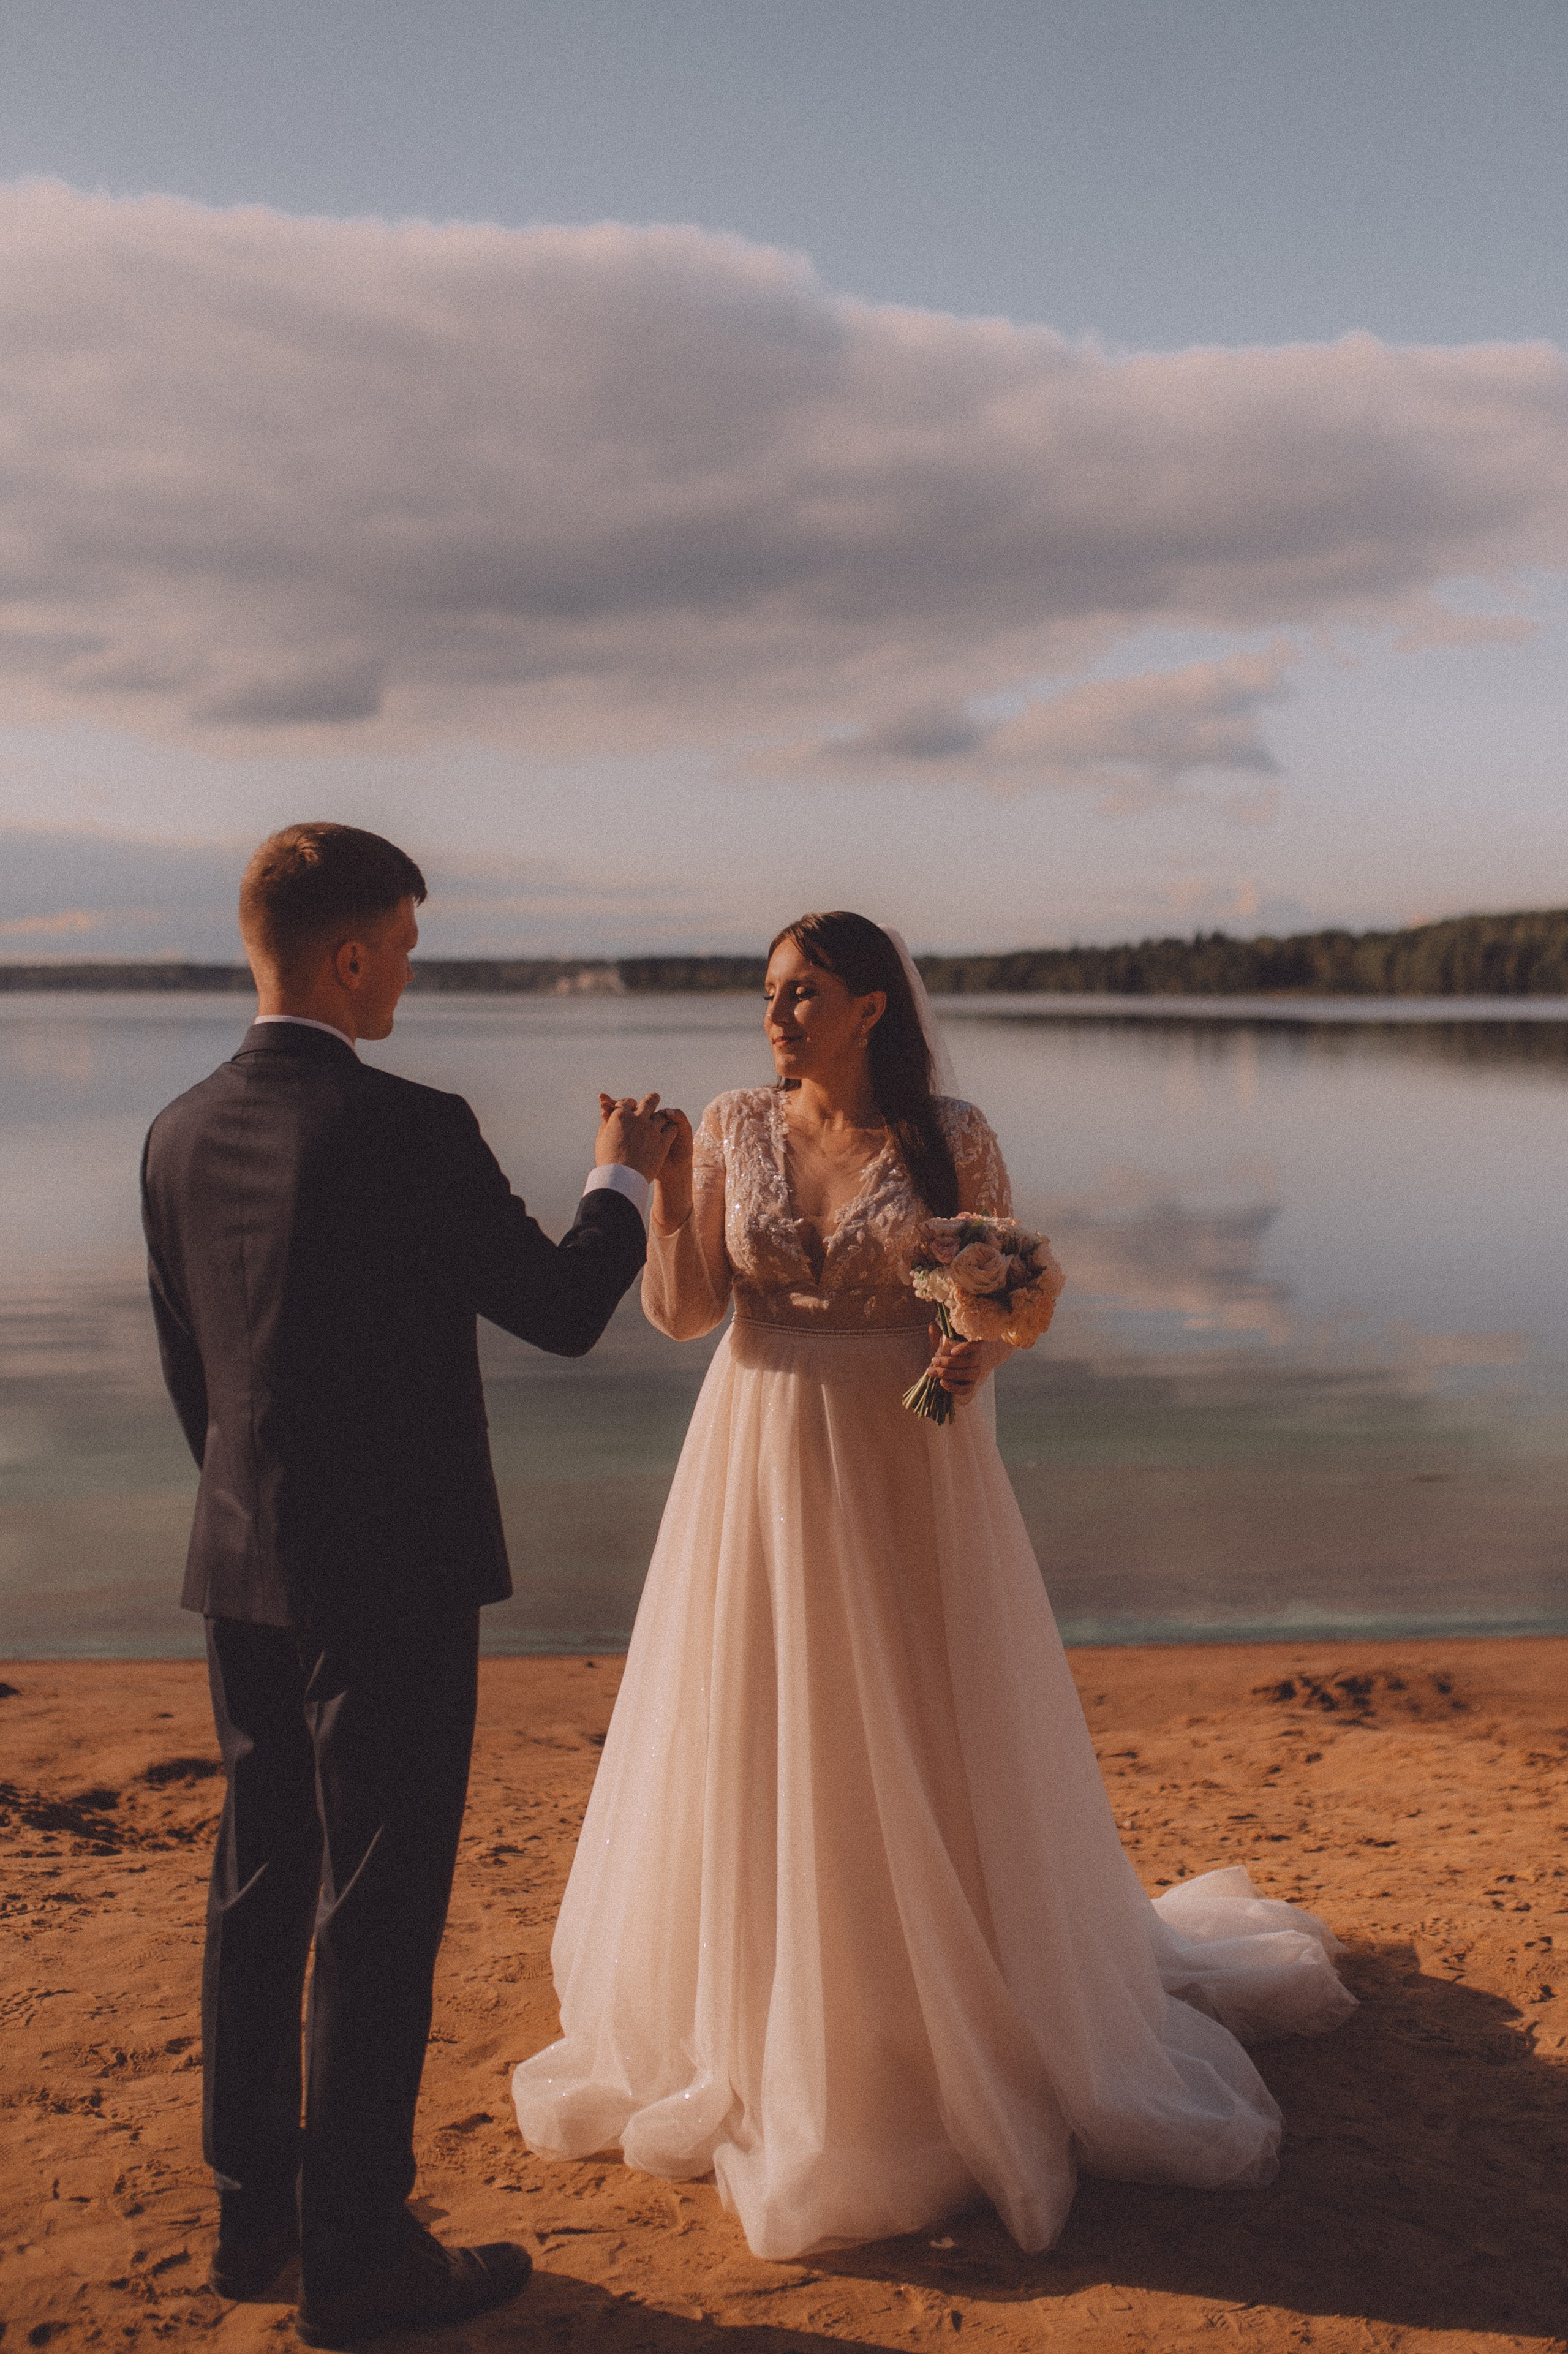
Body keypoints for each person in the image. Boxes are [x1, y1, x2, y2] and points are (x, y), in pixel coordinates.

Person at [511, 910, 1354, 2262]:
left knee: (915, 1714)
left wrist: (974, 1350)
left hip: (910, 1463)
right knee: (770, 1719)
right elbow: (678, 1312)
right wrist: (664, 1188)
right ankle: (783, 2013)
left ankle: (952, 1999)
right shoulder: (731, 1123)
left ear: (869, 1009)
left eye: (803, 993)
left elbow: (992, 1297)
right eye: (769, 992)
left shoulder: (946, 1134)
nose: (776, 1013)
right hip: (760, 1450)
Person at [141, 823, 679, 2348]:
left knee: (257, 1882)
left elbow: (202, 1377)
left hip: (243, 1559)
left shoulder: (177, 1130)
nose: (410, 981)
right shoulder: (409, 1125)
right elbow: (567, 1308)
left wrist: (258, 1513)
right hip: (394, 1577)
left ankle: (256, 2217)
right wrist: (619, 1176)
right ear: (353, 954)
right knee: (374, 1906)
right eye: (408, 950)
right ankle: (359, 2254)